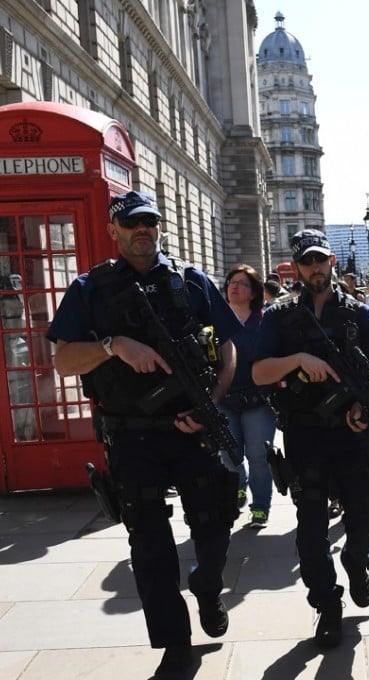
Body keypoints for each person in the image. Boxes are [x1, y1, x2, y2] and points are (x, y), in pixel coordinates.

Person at [46, 191, 241, 679]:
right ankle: (175, 643)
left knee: (216, 521)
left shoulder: (190, 281)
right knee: (150, 546)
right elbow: (64, 359)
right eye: (133, 224)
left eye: (151, 223)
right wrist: (114, 346)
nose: (144, 231)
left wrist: (213, 400)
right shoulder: (91, 288)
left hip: (193, 426)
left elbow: (230, 344)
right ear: (114, 230)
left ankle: (208, 585)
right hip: (132, 435)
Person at [252, 229, 369, 649]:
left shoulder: (357, 312)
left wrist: (362, 403)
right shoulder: (279, 316)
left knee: (365, 515)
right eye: (306, 262)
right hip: (304, 434)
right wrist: (297, 359)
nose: (315, 268)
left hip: (353, 434)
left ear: (331, 262)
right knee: (311, 530)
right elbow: (259, 372)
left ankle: (356, 560)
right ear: (296, 267)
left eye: (321, 260)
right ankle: (327, 605)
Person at [220, 264, 277, 528]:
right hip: (224, 399)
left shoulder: (266, 322)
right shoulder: (216, 320)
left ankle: (260, 506)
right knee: (229, 455)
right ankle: (238, 486)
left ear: (254, 292)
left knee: (258, 455)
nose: (234, 286)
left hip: (258, 399)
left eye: (242, 283)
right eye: (232, 281)